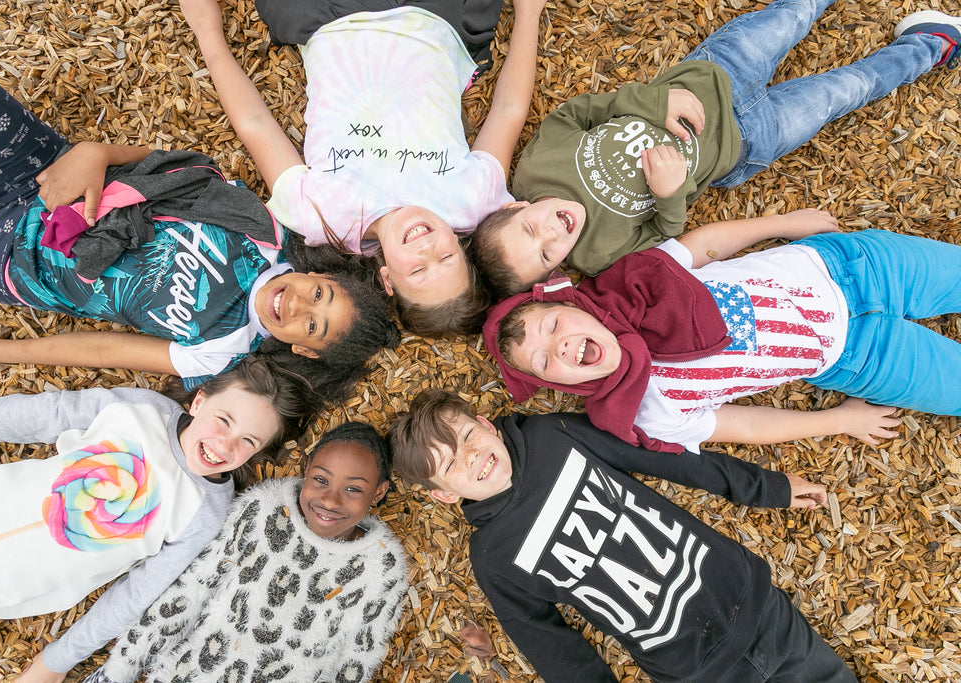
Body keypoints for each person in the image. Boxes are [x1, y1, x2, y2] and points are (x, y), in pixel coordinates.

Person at [0, 28, 398, 399]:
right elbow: (178, 172)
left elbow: (102, 349)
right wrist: (98, 152)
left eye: (313, 325)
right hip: (47, 169)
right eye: (319, 293)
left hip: (5, 259)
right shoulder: (264, 232)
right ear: (323, 275)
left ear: (305, 350)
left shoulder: (222, 352)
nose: (297, 305)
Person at [468, 4, 961, 298]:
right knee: (846, 90)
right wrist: (670, 191)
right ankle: (932, 45)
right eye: (547, 252)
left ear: (516, 205)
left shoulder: (534, 171)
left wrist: (653, 100)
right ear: (556, 270)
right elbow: (668, 232)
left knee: (792, 13)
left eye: (530, 228)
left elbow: (576, 113)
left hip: (712, 76)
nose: (551, 232)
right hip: (749, 141)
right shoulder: (598, 256)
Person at [387, 389, 853, 682]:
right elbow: (547, 641)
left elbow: (663, 459)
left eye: (468, 436)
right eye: (450, 466)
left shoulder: (553, 435)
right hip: (690, 667)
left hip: (751, 602)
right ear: (445, 496)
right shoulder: (493, 555)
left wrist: (765, 487)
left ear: (485, 424)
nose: (471, 457)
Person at [179, 0, 548, 335]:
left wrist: (208, 33)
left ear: (388, 279)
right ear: (461, 246)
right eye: (446, 257)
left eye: (418, 271)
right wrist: (529, 13)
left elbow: (255, 125)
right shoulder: (472, 201)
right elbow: (508, 111)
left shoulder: (318, 217)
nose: (426, 249)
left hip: (326, 18)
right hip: (435, 15)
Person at [0, 356, 315, 682]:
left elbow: (135, 594)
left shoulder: (206, 512)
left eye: (249, 441)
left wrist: (57, 660)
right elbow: (44, 414)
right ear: (199, 401)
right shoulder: (141, 411)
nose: (225, 444)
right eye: (224, 419)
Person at [476, 208, 961, 454]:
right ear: (559, 384)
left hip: (851, 265)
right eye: (544, 363)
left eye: (553, 324)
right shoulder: (647, 411)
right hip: (856, 355)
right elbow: (744, 425)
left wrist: (784, 223)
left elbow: (703, 247)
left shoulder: (635, 284)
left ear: (574, 304)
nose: (558, 346)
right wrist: (842, 421)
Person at [80, 421, 407, 683]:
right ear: (306, 470)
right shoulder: (263, 512)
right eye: (321, 480)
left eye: (353, 489)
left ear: (378, 492)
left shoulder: (380, 566)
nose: (331, 500)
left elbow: (356, 661)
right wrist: (118, 670)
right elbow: (190, 592)